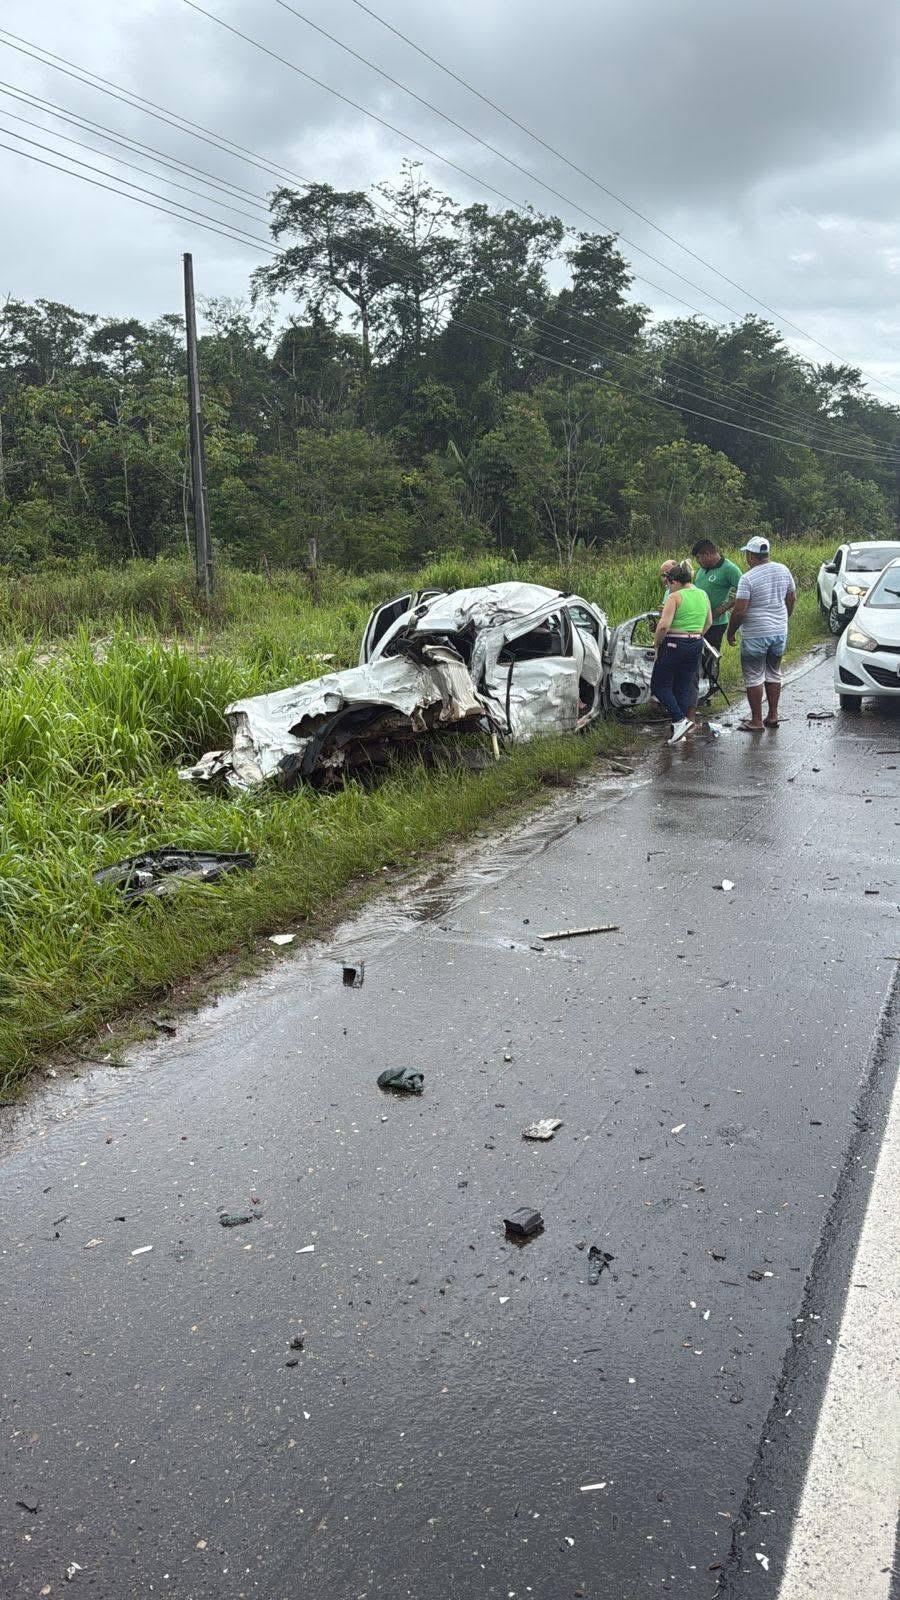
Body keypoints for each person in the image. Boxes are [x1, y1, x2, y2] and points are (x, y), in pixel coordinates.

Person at [726, 536, 797, 731]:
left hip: (756, 633)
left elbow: (740, 610)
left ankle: (756, 720)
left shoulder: (747, 578)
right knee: (773, 671)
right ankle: (773, 715)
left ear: (751, 555)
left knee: (754, 676)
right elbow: (791, 597)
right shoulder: (784, 570)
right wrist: (785, 617)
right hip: (779, 631)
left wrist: (730, 632)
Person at [651, 559, 712, 743]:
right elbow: (708, 622)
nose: (668, 588)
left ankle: (679, 721)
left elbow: (663, 626)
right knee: (683, 685)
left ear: (675, 581)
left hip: (674, 643)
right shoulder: (703, 594)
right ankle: (681, 727)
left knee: (659, 685)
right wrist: (695, 635)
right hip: (696, 643)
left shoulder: (675, 597)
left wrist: (656, 644)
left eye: (668, 584)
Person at [690, 539, 742, 658]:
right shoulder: (702, 569)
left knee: (710, 657)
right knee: (696, 656)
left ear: (707, 554)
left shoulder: (729, 569)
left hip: (716, 623)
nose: (697, 561)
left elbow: (744, 591)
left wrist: (724, 607)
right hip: (698, 621)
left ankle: (711, 677)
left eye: (698, 557)